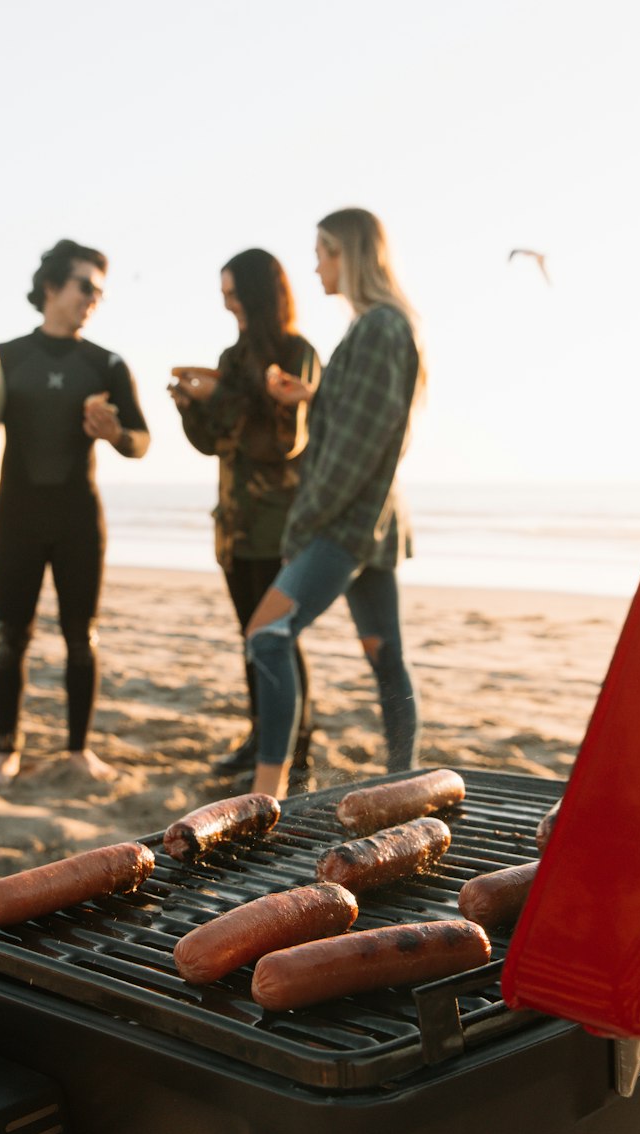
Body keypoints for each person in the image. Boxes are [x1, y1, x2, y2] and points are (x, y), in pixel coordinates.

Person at [245, 208, 425, 800]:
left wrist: (305, 521)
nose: (315, 265)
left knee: (266, 633)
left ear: (348, 254)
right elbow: (364, 417)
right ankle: (404, 779)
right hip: (371, 522)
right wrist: (314, 396)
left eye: (322, 252)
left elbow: (358, 445)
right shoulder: (381, 328)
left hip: (346, 522)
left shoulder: (379, 328)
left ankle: (266, 794)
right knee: (385, 658)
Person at [0, 239, 150, 785]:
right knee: (12, 636)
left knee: (82, 636)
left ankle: (79, 752)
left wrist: (117, 434)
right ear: (52, 287)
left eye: (100, 292)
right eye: (86, 286)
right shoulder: (3, 358)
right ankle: (5, 751)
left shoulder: (104, 363)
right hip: (16, 518)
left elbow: (142, 440)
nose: (93, 299)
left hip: (79, 521)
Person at [170, 249, 320, 785]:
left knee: (275, 635)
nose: (225, 301)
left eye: (232, 292)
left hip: (280, 520)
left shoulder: (297, 352)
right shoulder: (232, 357)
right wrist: (192, 406)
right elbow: (215, 442)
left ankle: (295, 747)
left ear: (257, 293)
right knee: (249, 635)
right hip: (234, 521)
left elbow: (280, 439)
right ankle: (262, 734)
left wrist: (222, 395)